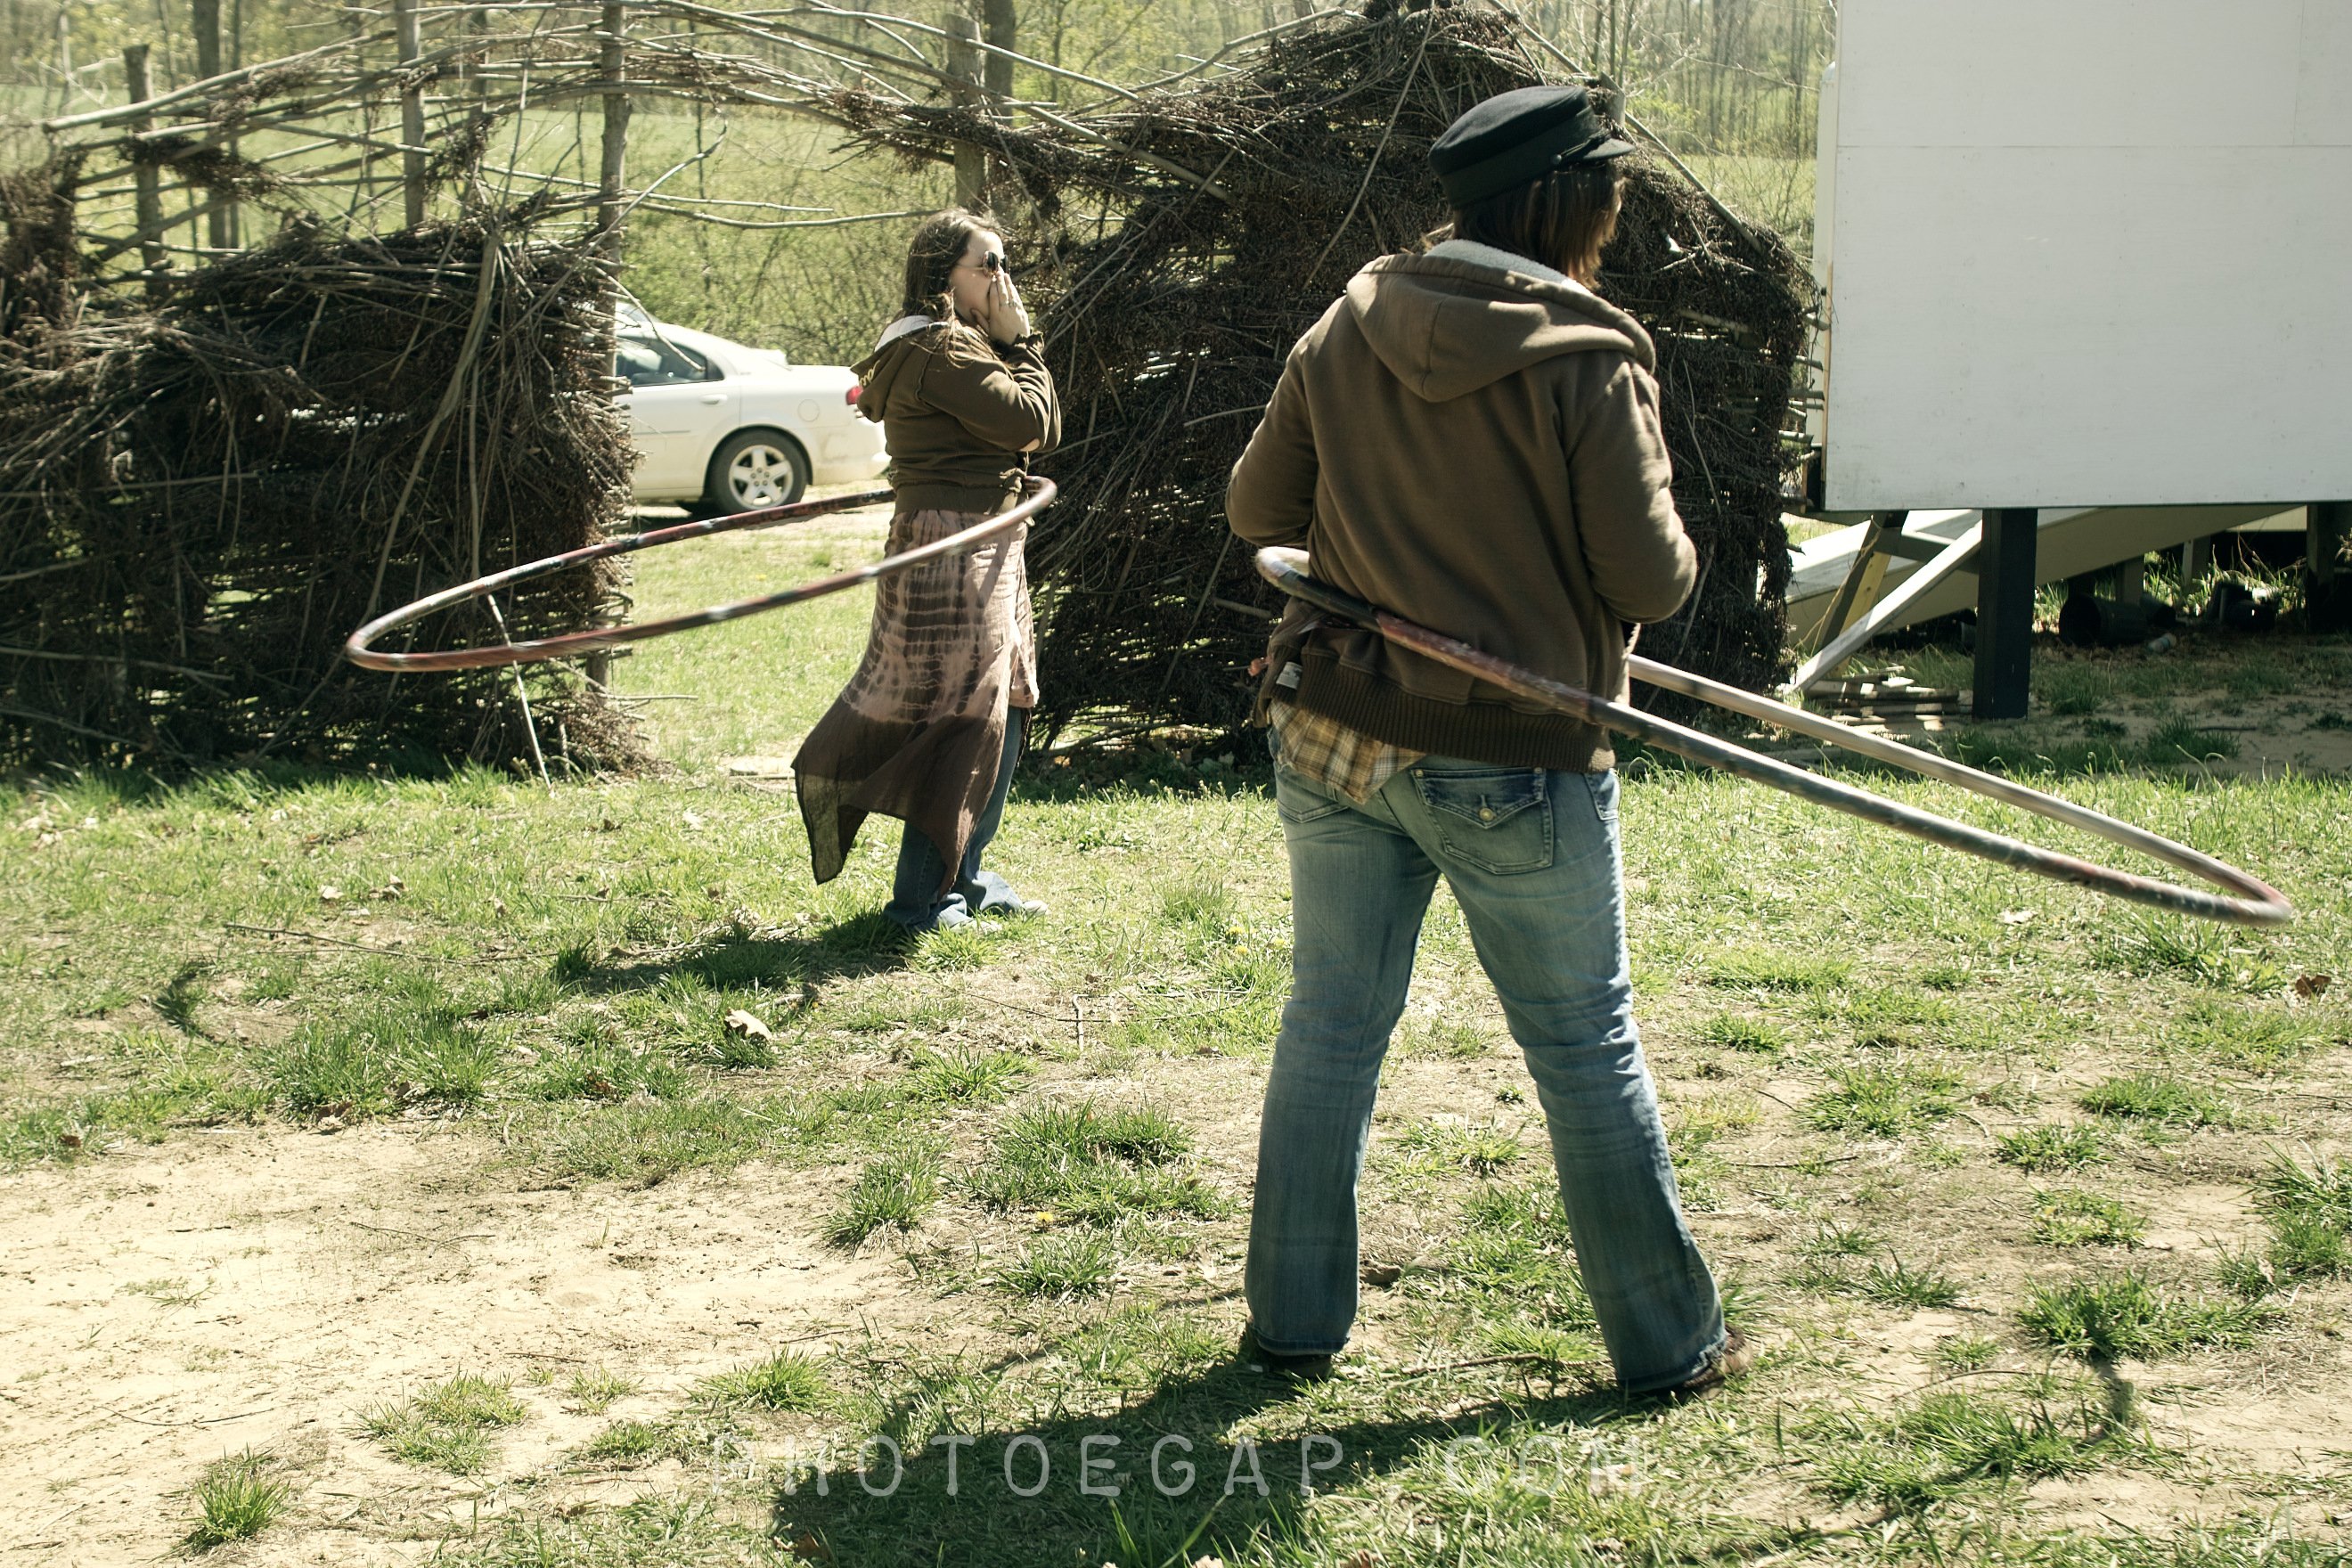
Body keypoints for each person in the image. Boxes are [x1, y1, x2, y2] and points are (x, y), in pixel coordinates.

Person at [1223, 86, 1750, 1396]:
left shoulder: (1347, 322)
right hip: (1515, 751)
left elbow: (1255, 508)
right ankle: (1669, 1346)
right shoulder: (1589, 355)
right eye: (1611, 196)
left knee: (1330, 1025)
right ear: (1568, 204)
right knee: (1584, 1045)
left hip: (1339, 729)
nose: (1617, 218)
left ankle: (1291, 1324)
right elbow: (1651, 579)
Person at [793, 209, 1060, 933]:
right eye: (988, 264)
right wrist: (1024, 343)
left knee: (1006, 705)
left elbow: (1027, 429)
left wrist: (1008, 344)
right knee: (963, 715)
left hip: (988, 538)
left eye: (1005, 263)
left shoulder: (959, 344)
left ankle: (965, 876)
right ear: (946, 275)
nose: (1003, 280)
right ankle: (922, 899)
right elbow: (1033, 424)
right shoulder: (941, 348)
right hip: (954, 545)